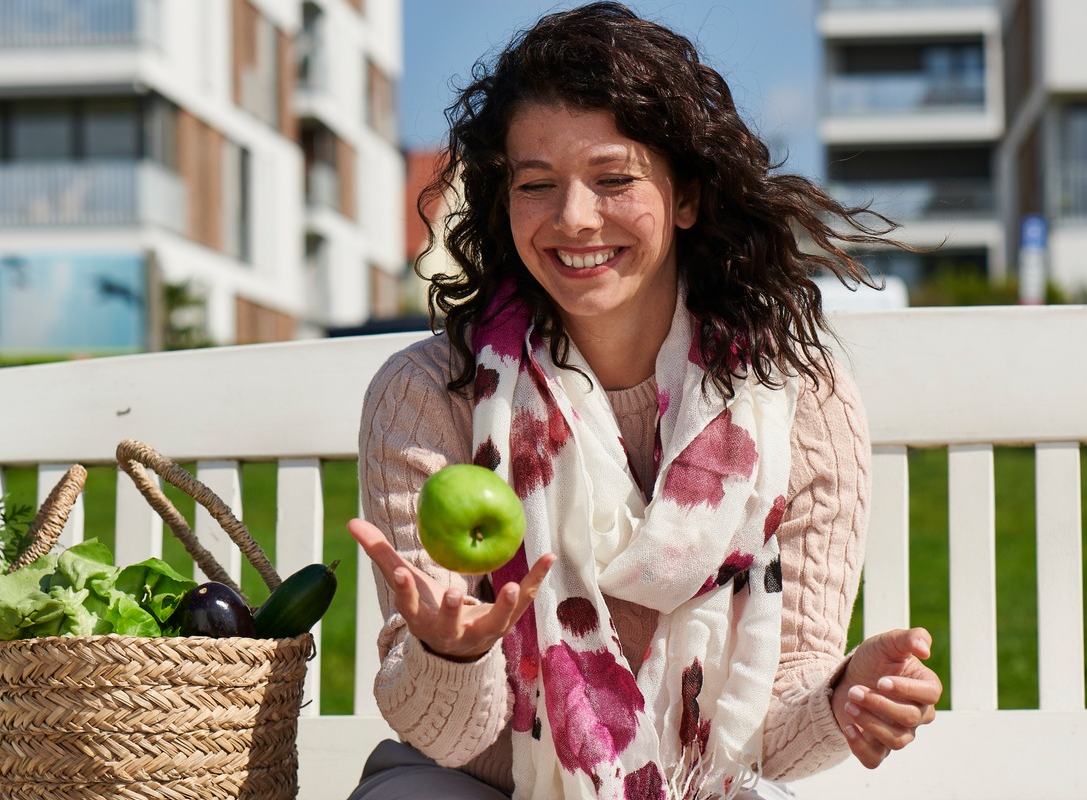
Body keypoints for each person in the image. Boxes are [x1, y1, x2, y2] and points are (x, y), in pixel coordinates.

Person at [347, 4, 942, 799]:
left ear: (687, 196)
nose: (574, 218)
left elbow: (768, 738)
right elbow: (451, 737)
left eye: (614, 178)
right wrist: (452, 652)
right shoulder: (429, 396)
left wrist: (842, 701)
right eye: (536, 184)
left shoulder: (801, 400)